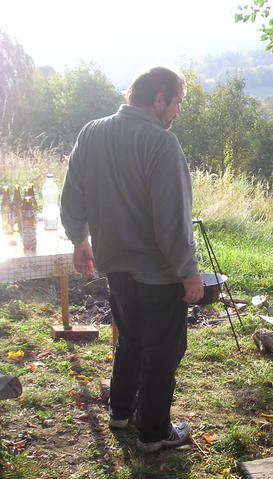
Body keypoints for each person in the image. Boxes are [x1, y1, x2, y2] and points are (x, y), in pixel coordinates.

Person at [60, 66, 204, 453]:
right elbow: (171, 220)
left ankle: (120, 411)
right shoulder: (161, 142)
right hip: (159, 273)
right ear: (159, 99)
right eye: (177, 102)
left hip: (115, 265)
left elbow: (71, 193)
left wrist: (78, 239)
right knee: (163, 353)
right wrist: (189, 272)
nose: (178, 110)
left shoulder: (92, 131)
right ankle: (154, 434)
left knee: (131, 338)